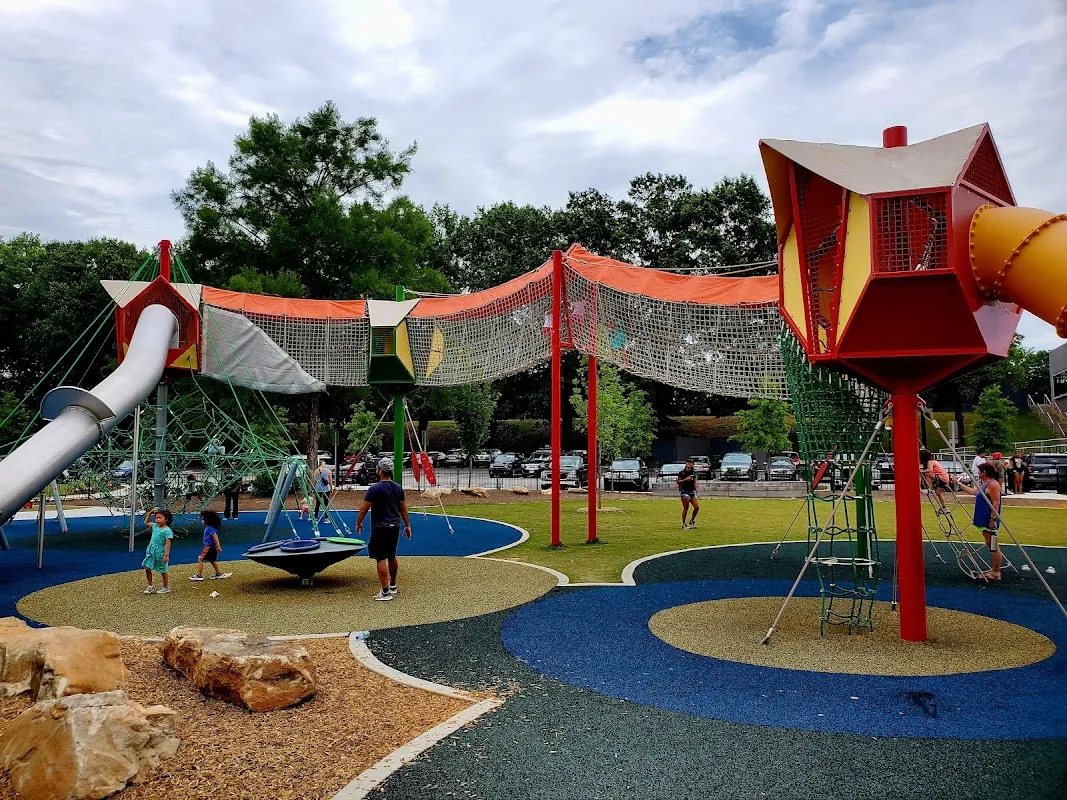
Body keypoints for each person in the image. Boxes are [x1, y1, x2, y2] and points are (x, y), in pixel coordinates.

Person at [354, 458, 412, 601]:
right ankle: (392, 585)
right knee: (391, 555)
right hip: (395, 526)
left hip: (380, 527)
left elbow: (363, 509)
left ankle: (385, 592)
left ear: (380, 470)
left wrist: (358, 523)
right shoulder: (398, 488)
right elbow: (403, 509)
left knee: (380, 557)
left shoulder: (374, 489)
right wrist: (408, 525)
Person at [957, 462, 1004, 580]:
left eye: (979, 471)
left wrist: (993, 519)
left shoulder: (993, 484)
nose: (977, 473)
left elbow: (996, 503)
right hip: (983, 519)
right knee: (990, 543)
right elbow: (973, 492)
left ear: (984, 472)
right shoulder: (984, 484)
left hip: (989, 520)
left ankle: (996, 572)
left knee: (993, 545)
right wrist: (957, 483)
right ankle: (995, 569)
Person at [191, 510, 230, 581]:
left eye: (203, 519)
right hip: (212, 547)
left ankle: (199, 575)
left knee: (200, 558)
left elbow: (215, 538)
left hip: (208, 547)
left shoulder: (210, 529)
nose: (202, 521)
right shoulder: (212, 528)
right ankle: (218, 573)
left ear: (207, 520)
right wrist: (217, 546)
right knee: (212, 560)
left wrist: (218, 546)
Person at [142, 507, 174, 594]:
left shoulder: (168, 531)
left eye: (160, 518)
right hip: (151, 550)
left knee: (163, 570)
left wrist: (166, 555)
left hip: (160, 552)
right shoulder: (155, 526)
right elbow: (146, 522)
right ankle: (150, 585)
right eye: (156, 518)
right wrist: (150, 513)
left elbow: (168, 544)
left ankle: (166, 586)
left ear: (166, 519)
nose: (158, 520)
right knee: (147, 567)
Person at [676, 458, 699, 529]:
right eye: (688, 463)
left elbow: (694, 481)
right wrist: (686, 479)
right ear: (686, 464)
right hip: (684, 491)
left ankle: (692, 520)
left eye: (691, 464)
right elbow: (678, 481)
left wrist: (696, 491)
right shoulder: (682, 473)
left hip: (692, 491)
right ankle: (683, 523)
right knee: (686, 508)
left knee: (697, 507)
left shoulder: (693, 472)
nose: (689, 465)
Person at [313, 458, 333, 525]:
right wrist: (331, 488)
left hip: (318, 488)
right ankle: (326, 518)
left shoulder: (316, 471)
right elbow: (330, 481)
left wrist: (313, 487)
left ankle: (315, 517)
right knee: (326, 504)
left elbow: (315, 480)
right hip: (326, 489)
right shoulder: (328, 471)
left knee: (317, 503)